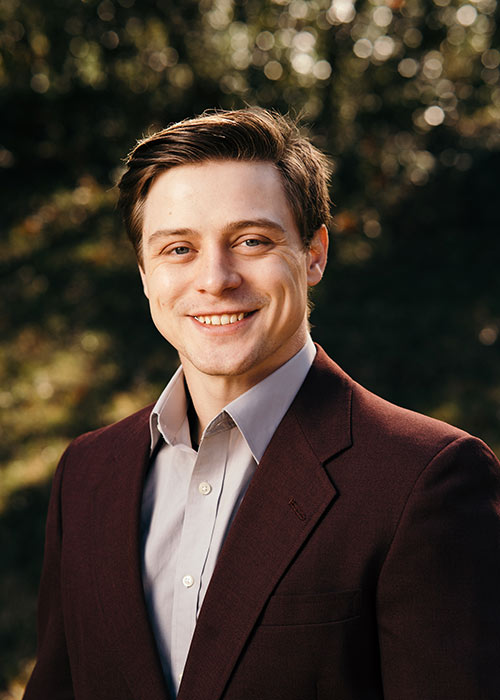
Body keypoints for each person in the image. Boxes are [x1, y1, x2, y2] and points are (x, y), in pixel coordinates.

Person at [24, 108, 500, 700]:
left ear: (315, 253)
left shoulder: (427, 478)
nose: (216, 278)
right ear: (144, 273)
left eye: (251, 240)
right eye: (178, 248)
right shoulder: (87, 473)